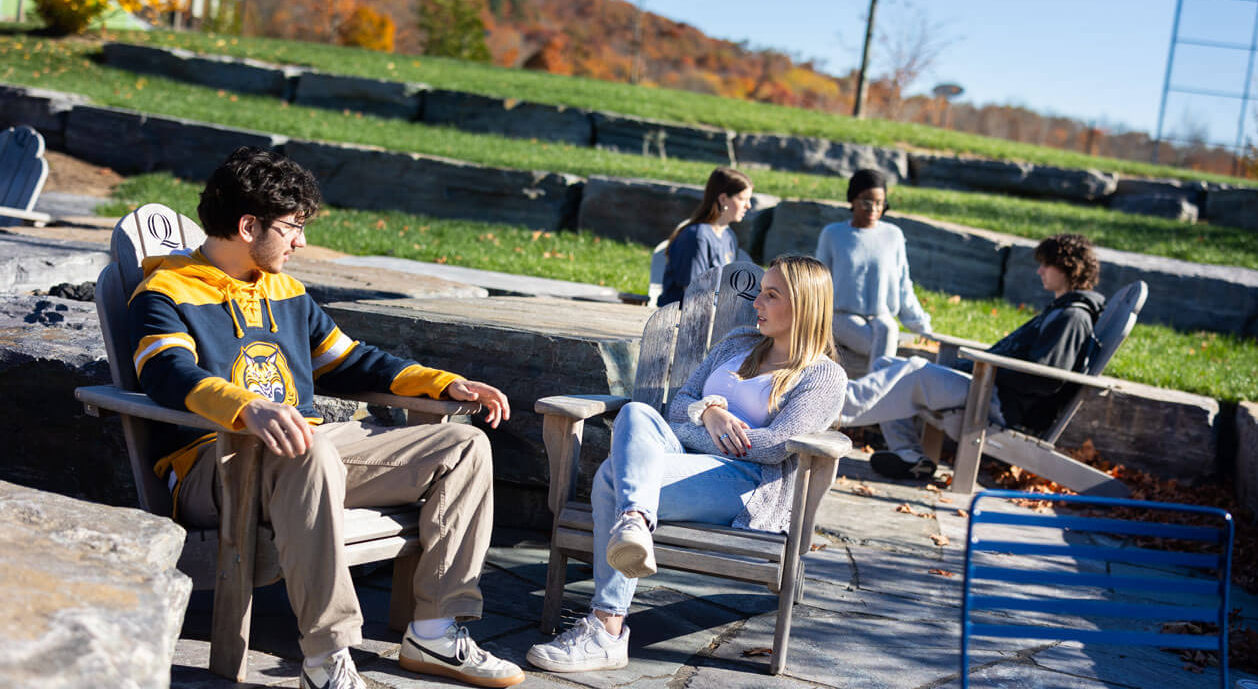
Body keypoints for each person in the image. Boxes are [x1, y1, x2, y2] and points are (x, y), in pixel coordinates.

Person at [129, 147, 525, 689]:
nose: (301, 241)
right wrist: (248, 408)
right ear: (249, 226)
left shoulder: (286, 292)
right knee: (308, 448)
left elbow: (350, 359)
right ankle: (326, 658)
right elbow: (167, 373)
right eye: (293, 227)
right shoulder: (165, 292)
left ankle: (434, 629)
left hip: (303, 451)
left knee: (463, 446)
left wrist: (441, 382)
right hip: (213, 463)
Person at [526, 255, 846, 673]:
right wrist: (710, 416)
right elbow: (679, 407)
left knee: (609, 478)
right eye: (760, 292)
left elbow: (774, 447)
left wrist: (708, 429)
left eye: (771, 295)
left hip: (744, 482)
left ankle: (606, 626)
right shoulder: (736, 343)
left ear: (804, 305)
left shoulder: (823, 376)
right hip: (681, 458)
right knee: (637, 413)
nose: (757, 304)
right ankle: (636, 521)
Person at [841, 233, 1105, 481]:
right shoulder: (1061, 311)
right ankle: (909, 456)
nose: (1040, 271)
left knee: (913, 370)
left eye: (1047, 265)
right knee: (886, 364)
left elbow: (1045, 379)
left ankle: (834, 410)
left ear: (1070, 268)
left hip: (998, 400)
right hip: (986, 385)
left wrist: (986, 369)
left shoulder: (1073, 317)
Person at [815, 168, 931, 364]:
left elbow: (903, 285)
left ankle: (869, 390)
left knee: (889, 328)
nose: (874, 209)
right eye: (867, 202)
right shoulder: (832, 234)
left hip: (880, 316)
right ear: (852, 199)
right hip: (841, 317)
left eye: (880, 203)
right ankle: (878, 389)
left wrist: (923, 328)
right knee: (879, 341)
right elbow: (818, 283)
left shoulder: (893, 235)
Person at [655, 166, 753, 307]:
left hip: (713, 317)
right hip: (682, 321)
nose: (748, 206)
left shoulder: (729, 236)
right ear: (723, 199)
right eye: (743, 199)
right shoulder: (696, 237)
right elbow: (695, 295)